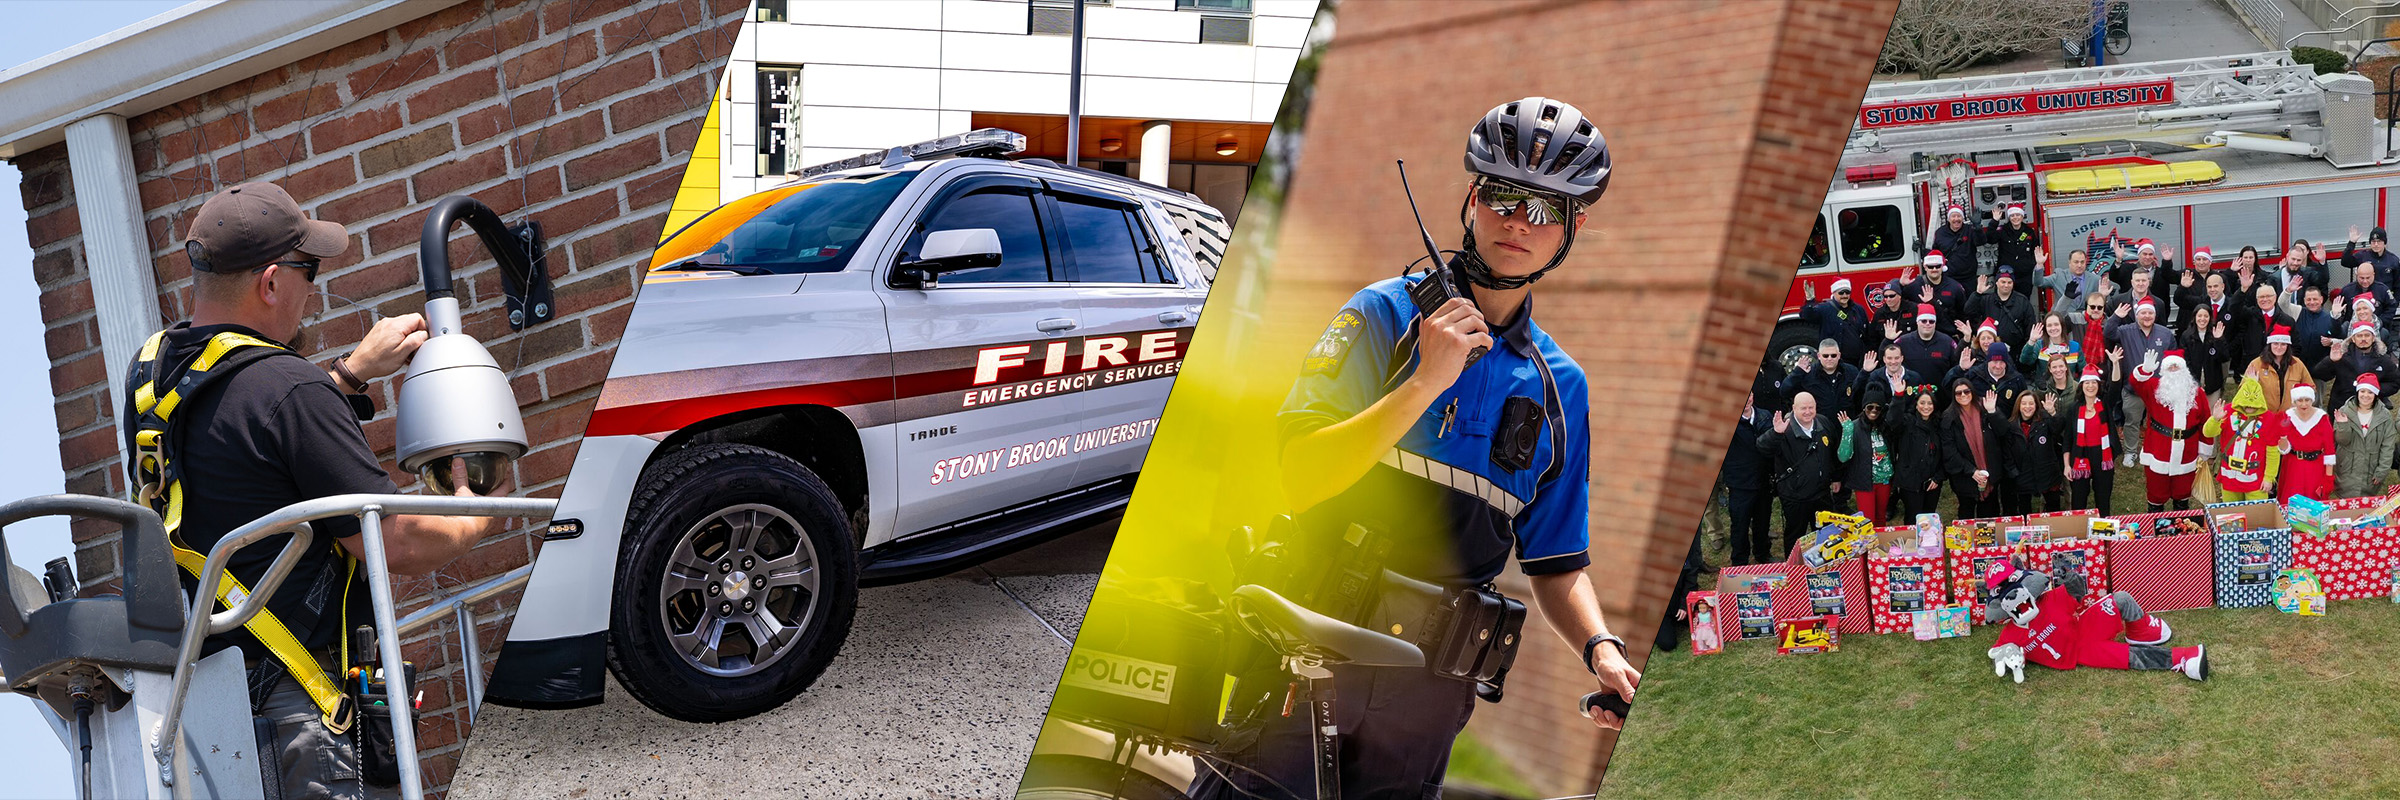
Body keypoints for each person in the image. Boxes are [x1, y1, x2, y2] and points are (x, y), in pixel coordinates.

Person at [1199, 97, 1633, 800]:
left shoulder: (1563, 388)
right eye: (1502, 195)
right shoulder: (1382, 314)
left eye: (1545, 208)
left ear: (1574, 227)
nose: (1518, 221)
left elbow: (1556, 562)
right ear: (1471, 197)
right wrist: (1427, 382)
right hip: (1307, 652)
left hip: (1429, 689)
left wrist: (1601, 649)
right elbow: (1299, 477)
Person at [125, 182, 511, 800]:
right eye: (309, 269)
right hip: (299, 714)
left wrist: (349, 374)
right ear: (272, 283)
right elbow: (394, 542)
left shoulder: (155, 382)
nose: (316, 286)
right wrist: (476, 512)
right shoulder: (288, 389)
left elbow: (246, 439)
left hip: (213, 711)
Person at [1759, 391, 1841, 557]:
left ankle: (1825, 563)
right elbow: (1762, 447)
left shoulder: (1823, 423)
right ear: (1794, 408)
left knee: (1825, 533)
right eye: (1803, 408)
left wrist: (1836, 477)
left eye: (1811, 407)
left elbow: (1832, 453)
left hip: (1821, 493)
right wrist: (1776, 433)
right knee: (1795, 537)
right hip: (1795, 496)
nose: (1808, 412)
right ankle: (1795, 569)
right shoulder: (1784, 428)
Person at [2129, 350, 2210, 512]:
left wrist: (2204, 450)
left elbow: (2205, 423)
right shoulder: (2154, 389)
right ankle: (2156, 528)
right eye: (2170, 367)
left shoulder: (2197, 393)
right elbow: (2135, 383)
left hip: (2187, 452)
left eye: (2177, 367)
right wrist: (2145, 370)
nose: (2173, 371)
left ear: (2184, 370)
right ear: (2163, 371)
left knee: (2182, 494)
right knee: (2156, 494)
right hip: (2159, 451)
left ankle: (2181, 530)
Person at [2112, 297, 2177, 465]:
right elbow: (2108, 333)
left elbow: (2173, 357)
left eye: (2150, 313)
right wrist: (2116, 317)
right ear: (2136, 314)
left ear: (2155, 315)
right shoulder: (2126, 330)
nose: (2147, 316)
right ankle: (2131, 451)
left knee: (2161, 421)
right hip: (2134, 388)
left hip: (2159, 389)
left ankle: (2160, 450)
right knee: (2132, 420)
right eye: (2143, 313)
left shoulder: (2165, 333)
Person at [1720, 395, 1777, 566]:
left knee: (1763, 522)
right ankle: (1739, 562)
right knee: (1740, 525)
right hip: (1740, 484)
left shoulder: (1765, 415)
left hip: (1763, 481)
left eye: (1749, 394)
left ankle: (1762, 554)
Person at [2202, 380, 2279, 503]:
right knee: (2232, 514)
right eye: (2246, 404)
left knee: (2256, 515)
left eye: (2253, 405)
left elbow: (2273, 451)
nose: (2250, 407)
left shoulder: (2269, 418)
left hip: (2255, 479)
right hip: (2229, 476)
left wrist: (2269, 478)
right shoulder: (2227, 411)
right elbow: (2208, 433)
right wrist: (2215, 419)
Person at [1997, 391, 2069, 514]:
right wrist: (2014, 472)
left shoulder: (2045, 420)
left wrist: (2052, 412)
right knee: (2024, 508)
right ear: (2018, 406)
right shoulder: (2011, 426)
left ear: (2036, 406)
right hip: (2022, 475)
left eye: (2031, 403)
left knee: (2053, 506)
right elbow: (2006, 453)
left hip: (2047, 473)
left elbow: (2058, 427)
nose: (2027, 407)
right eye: (2024, 403)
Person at [1941, 380, 2004, 519]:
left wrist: (1993, 412)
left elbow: (2003, 432)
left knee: (1989, 511)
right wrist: (1972, 471)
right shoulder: (1948, 418)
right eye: (1958, 392)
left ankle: (1988, 540)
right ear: (1953, 395)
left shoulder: (1986, 408)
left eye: (1966, 391)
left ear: (1972, 391)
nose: (1963, 395)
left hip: (1990, 471)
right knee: (1966, 510)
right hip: (1964, 475)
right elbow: (1949, 451)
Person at [2067, 363, 2123, 516]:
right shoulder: (2074, 408)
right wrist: (2067, 465)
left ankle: (2103, 534)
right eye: (2087, 382)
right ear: (2082, 385)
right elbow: (2068, 440)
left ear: (2098, 385)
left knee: (2103, 499)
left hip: (2102, 456)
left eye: (2093, 383)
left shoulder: (2105, 404)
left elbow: (2116, 386)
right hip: (2080, 455)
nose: (2090, 386)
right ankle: (2080, 534)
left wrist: (2116, 363)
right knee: (2078, 500)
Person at [1839, 384, 1898, 525]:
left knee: (1880, 517)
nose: (1874, 411)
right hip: (1864, 481)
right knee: (1867, 521)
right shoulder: (1854, 426)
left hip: (1884, 480)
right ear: (1863, 408)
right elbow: (1843, 457)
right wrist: (1847, 432)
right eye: (1870, 407)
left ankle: (1880, 544)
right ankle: (1868, 547)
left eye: (1878, 408)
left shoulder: (1886, 426)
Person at [2311, 319, 2400, 413]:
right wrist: (2330, 361)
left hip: (2371, 408)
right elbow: (2319, 374)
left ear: (2373, 338)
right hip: (2341, 406)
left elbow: (2394, 383)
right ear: (2353, 339)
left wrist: (2373, 390)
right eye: (2359, 336)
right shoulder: (2342, 356)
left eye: (2367, 335)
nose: (2363, 339)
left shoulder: (2384, 360)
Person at [2333, 374, 2400, 498]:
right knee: (2344, 507)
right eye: (2362, 391)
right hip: (2347, 468)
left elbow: (2388, 446)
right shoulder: (2345, 411)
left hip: (2370, 468)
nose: (2365, 395)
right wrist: (2343, 426)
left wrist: (2382, 470)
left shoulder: (2384, 416)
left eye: (2370, 392)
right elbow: (2342, 441)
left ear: (2375, 394)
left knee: (2366, 507)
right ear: (2357, 392)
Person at [2271, 385, 2337, 503]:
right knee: (2291, 500)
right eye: (2300, 401)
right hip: (2293, 466)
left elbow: (2329, 449)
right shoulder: (2288, 417)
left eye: (2307, 400)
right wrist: (2282, 436)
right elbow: (2283, 449)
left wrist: (2328, 477)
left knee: (2314, 503)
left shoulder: (2321, 418)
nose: (2304, 404)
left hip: (2315, 467)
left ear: (2312, 400)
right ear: (2294, 401)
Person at [1890, 389, 1948, 519]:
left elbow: (1945, 454)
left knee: (1929, 517)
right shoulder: (1907, 422)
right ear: (1916, 404)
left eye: (1930, 403)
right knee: (1913, 517)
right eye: (1922, 403)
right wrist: (1898, 397)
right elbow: (1893, 420)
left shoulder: (1939, 425)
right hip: (1910, 481)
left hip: (1932, 482)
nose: (1926, 407)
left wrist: (1938, 477)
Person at [2241, 326, 2315, 413]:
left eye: (2283, 344)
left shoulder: (2297, 364)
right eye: (2275, 343)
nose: (2279, 347)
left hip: (2290, 415)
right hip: (2264, 415)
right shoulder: (2256, 364)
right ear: (2270, 344)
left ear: (2288, 346)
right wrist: (2252, 384)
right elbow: (2243, 392)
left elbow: (2311, 388)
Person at [1782, 339, 1863, 417]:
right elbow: (1784, 391)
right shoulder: (1808, 373)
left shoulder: (1851, 371)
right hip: (1819, 425)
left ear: (1839, 355)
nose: (1829, 359)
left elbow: (1859, 396)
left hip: (1846, 424)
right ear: (1819, 356)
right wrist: (1797, 372)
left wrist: (1865, 373)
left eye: (1833, 355)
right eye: (1825, 356)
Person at [2231, 280, 2298, 374]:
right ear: (2257, 299)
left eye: (2268, 296)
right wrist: (2243, 290)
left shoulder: (2287, 320)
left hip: (2279, 368)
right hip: (2252, 366)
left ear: (2275, 297)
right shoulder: (2248, 315)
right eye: (2261, 297)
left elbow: (2295, 346)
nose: (2265, 299)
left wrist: (2287, 364)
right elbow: (2233, 308)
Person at [1800, 278, 1869, 367]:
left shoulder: (1859, 309)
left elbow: (1867, 334)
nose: (1844, 295)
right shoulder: (1825, 308)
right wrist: (1809, 301)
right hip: (1835, 361)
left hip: (1857, 361)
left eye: (1847, 292)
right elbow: (1807, 316)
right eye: (1841, 293)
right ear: (1834, 293)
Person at [1963, 269, 2036, 350]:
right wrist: (1977, 293)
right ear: (1996, 283)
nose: (2006, 285)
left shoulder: (2022, 301)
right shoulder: (1986, 299)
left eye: (2009, 282)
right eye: (2003, 282)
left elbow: (2030, 324)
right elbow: (1968, 311)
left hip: (2016, 350)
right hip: (1989, 349)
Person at [1895, 302, 1963, 387]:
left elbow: (1957, 366)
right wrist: (1888, 340)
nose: (1927, 324)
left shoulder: (1947, 342)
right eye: (1923, 321)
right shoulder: (1903, 342)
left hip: (1941, 395)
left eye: (1931, 321)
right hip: (1911, 395)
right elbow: (1888, 359)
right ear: (1917, 322)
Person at [1903, 251, 1972, 331]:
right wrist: (1901, 285)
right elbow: (1897, 305)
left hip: (1947, 333)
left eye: (1938, 266)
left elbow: (1963, 313)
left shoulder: (1955, 287)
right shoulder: (1913, 286)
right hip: (1920, 334)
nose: (1934, 269)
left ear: (1942, 267)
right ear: (1925, 267)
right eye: (1930, 267)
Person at [2038, 249, 2109, 323]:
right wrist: (2039, 265)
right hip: (2062, 320)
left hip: (2085, 322)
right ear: (2069, 263)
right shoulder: (2059, 276)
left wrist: (2103, 296)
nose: (2079, 265)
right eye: (2076, 262)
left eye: (2082, 262)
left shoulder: (2095, 279)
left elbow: (2099, 305)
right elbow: (2039, 282)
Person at [2178, 305, 2232, 400]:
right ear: (2194, 317)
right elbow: (2185, 362)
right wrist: (2195, 383)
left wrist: (2218, 340)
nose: (2202, 319)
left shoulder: (2215, 333)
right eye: (2199, 316)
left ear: (2210, 318)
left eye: (2206, 316)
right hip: (2192, 386)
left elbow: (2224, 357)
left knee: (2211, 414)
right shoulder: (2186, 336)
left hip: (2213, 385)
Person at [1983, 205, 2042, 287]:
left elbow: (2036, 250)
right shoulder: (2003, 230)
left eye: (2018, 215)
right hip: (2005, 276)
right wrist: (1995, 221)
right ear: (2009, 217)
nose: (2015, 218)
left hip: (2024, 276)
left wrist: (2030, 265)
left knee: (2024, 299)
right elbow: (1990, 239)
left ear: (2022, 216)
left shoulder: (2029, 232)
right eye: (2012, 215)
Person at [2290, 284, 2339, 370]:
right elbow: (2282, 304)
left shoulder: (2329, 318)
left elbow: (2341, 337)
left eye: (2315, 299)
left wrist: (2331, 341)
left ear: (2321, 300)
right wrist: (2288, 291)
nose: (2312, 302)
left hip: (2319, 369)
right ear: (2304, 301)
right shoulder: (2298, 312)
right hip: (2296, 366)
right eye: (2309, 299)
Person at [1929, 205, 1983, 281]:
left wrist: (1978, 228)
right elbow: (1935, 253)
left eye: (1959, 216)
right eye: (1953, 216)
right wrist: (1921, 249)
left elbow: (1981, 242)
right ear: (1948, 219)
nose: (1956, 219)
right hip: (1948, 277)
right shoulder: (1940, 233)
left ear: (1963, 218)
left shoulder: (1970, 230)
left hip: (1969, 277)